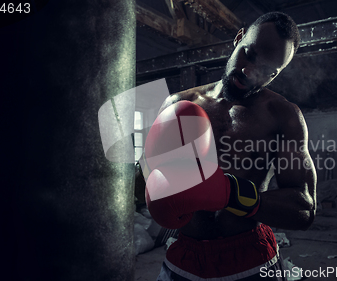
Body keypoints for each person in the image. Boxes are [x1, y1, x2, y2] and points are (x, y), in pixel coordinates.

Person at [136, 12, 317, 281]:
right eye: (250, 54)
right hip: (184, 258)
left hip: (250, 259)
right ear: (238, 38)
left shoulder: (283, 116)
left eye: (268, 71)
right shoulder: (177, 104)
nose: (250, 72)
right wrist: (155, 186)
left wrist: (228, 192)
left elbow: (304, 209)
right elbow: (145, 181)